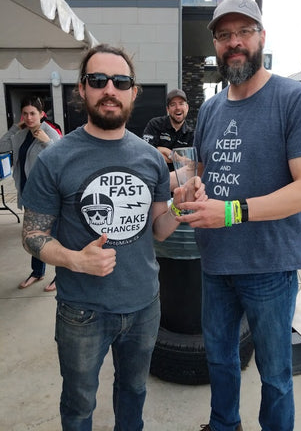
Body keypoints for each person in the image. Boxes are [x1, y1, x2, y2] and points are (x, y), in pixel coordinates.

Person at [20, 44, 205, 431]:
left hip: (144, 305)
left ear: (133, 91)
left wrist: (178, 207)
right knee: (79, 401)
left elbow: (158, 228)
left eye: (120, 81)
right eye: (98, 80)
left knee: (134, 391)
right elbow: (33, 233)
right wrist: (74, 259)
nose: (109, 88)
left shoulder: (150, 158)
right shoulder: (56, 158)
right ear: (82, 89)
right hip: (82, 311)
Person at [175, 0, 301, 431]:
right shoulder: (212, 107)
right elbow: (204, 170)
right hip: (216, 263)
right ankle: (225, 425)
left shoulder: (295, 99)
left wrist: (233, 212)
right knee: (220, 360)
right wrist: (189, 184)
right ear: (217, 46)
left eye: (244, 32)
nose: (234, 42)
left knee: (275, 375)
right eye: (224, 35)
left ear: (262, 37)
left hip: (269, 265)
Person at [0, 96, 61, 292]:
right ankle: (37, 272)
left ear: (42, 114)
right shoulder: (21, 134)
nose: (28, 117)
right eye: (25, 113)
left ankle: (61, 276)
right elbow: (2, 147)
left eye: (32, 113)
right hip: (27, 194)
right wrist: (15, 128)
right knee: (34, 236)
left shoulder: (50, 133)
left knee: (57, 236)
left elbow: (61, 159)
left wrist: (47, 142)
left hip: (48, 196)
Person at [142, 88, 194, 170]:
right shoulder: (155, 124)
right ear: (168, 109)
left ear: (187, 107)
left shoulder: (191, 134)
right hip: (155, 177)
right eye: (173, 104)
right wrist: (175, 156)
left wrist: (160, 149)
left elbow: (190, 163)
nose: (178, 108)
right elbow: (146, 151)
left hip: (179, 180)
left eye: (181, 104)